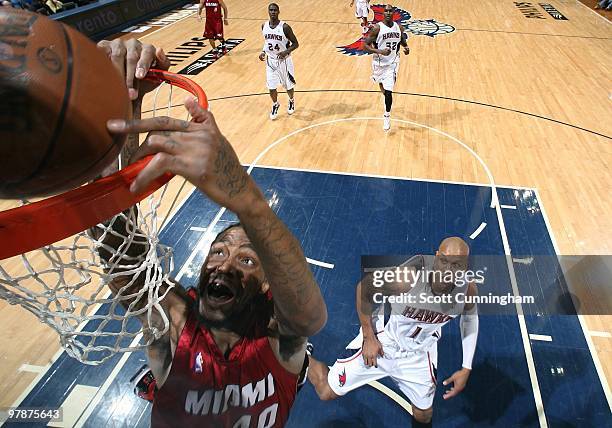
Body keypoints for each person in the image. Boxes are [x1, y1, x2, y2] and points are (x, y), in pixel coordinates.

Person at [96, 38, 327, 427]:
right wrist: (122, 106)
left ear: (269, 287)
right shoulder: (173, 321)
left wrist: (244, 195)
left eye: (248, 258)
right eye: (218, 251)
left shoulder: (278, 338)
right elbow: (122, 254)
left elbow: (309, 318)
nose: (227, 263)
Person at [307, 237, 479, 428]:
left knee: (424, 415)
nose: (447, 270)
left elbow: (470, 318)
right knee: (326, 391)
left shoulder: (468, 290)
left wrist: (466, 366)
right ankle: (303, 354)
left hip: (419, 354)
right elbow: (364, 288)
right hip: (383, 342)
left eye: (456, 265)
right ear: (436, 256)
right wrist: (368, 337)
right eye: (444, 261)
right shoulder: (408, 278)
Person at [363, 4, 409, 131]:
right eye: (386, 11)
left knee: (389, 91)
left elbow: (401, 39)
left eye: (390, 11)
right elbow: (365, 46)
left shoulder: (399, 27)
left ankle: (387, 116)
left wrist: (406, 47)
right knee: (381, 84)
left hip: (393, 63)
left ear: (393, 13)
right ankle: (384, 90)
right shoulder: (377, 28)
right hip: (379, 63)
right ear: (383, 13)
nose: (388, 13)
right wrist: (380, 51)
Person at [258, 3, 299, 120]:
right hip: (270, 61)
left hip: (284, 61)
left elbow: (296, 44)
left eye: (275, 10)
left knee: (288, 86)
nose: (273, 12)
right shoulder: (264, 26)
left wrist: (286, 51)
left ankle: (291, 100)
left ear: (278, 12)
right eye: (271, 10)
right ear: (268, 11)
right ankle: (275, 104)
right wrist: (263, 52)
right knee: (271, 87)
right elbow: (267, 42)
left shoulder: (285, 27)